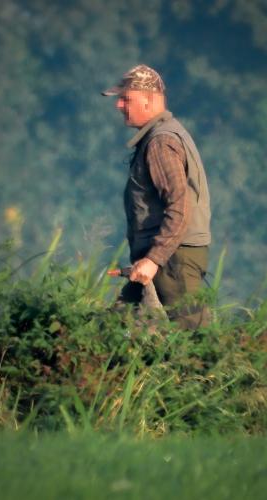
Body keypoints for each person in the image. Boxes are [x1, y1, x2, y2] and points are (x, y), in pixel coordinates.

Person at [102, 64, 212, 329]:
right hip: (169, 258)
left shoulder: (161, 142)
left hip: (173, 260)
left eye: (126, 99)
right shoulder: (163, 135)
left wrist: (153, 260)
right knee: (119, 333)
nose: (118, 105)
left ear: (149, 101)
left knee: (194, 344)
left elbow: (179, 207)